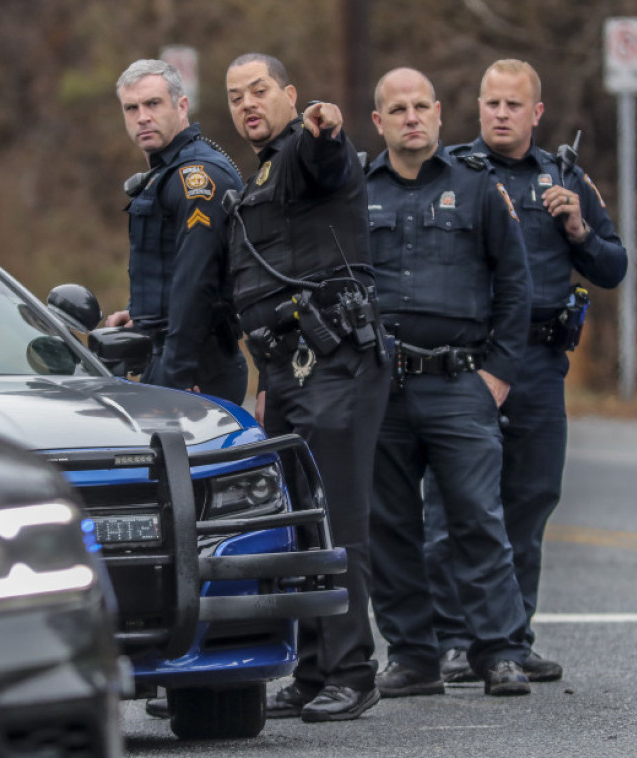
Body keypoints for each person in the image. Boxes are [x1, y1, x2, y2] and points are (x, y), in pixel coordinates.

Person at [424, 59, 628, 686]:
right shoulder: (450, 173)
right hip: (469, 361)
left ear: (536, 113)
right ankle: (453, 641)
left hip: (539, 361)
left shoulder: (563, 177)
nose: (501, 113)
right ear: (478, 106)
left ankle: (511, 639)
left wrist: (579, 229)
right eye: (492, 102)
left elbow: (614, 267)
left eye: (514, 104)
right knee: (453, 505)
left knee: (530, 501)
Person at [223, 52, 391, 722]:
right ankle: (315, 669)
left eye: (259, 90)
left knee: (338, 521)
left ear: (290, 95)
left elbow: (328, 157)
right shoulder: (258, 176)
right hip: (286, 370)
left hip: (337, 361)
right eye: (235, 96)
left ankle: (353, 672)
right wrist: (265, 379)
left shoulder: (303, 151)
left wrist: (328, 128)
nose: (247, 103)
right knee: (299, 523)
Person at [365, 67, 533, 698]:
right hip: (381, 386)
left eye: (420, 107)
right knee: (390, 526)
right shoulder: (357, 192)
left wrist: (498, 373)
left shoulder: (478, 188)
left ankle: (500, 652)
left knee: (477, 520)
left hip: (461, 382)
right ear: (379, 122)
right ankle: (413, 656)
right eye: (397, 109)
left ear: (438, 113)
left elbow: (515, 284)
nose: (411, 118)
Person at [106, 59, 248, 405]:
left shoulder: (195, 176)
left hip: (196, 368)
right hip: (171, 356)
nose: (142, 117)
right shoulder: (167, 172)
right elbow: (169, 262)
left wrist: (176, 375)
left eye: (153, 104)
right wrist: (141, 312)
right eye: (131, 108)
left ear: (181, 106)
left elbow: (197, 280)